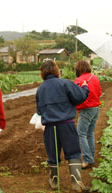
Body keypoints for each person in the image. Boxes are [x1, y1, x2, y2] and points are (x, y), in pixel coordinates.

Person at [36, 60, 89, 192]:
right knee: (73, 152)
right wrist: (84, 87)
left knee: (53, 155)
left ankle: (53, 182)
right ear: (56, 70)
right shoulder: (65, 83)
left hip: (49, 127)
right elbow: (80, 97)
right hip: (66, 125)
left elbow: (39, 111)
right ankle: (76, 183)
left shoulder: (40, 89)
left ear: (42, 73)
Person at [74, 60, 102, 169]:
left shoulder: (79, 80)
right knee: (90, 133)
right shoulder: (94, 78)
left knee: (81, 134)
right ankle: (91, 157)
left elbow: (75, 96)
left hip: (86, 109)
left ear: (78, 69)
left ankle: (87, 159)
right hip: (96, 108)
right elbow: (99, 92)